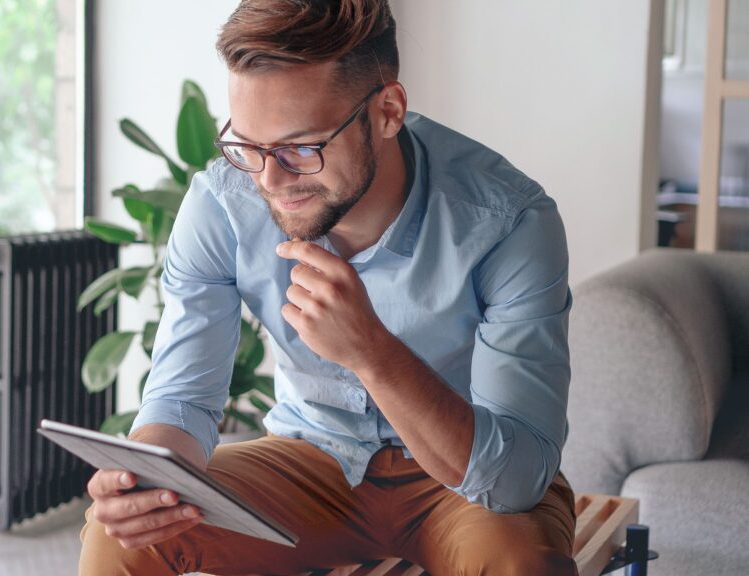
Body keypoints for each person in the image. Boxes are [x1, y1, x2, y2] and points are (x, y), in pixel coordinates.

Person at [79, 1, 576, 574]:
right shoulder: (223, 203)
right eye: (247, 145)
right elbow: (183, 399)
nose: (269, 179)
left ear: (387, 111)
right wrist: (147, 478)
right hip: (310, 460)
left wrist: (371, 351)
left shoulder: (508, 221)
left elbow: (514, 481)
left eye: (300, 147)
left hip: (462, 478)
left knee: (523, 565)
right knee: (122, 537)